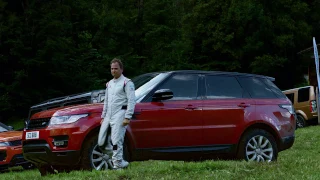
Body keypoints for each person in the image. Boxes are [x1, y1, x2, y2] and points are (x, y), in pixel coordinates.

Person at [98, 58, 136, 170]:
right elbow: (106, 101)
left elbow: (131, 101)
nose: (113, 71)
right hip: (109, 114)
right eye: (112, 69)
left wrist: (127, 117)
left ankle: (117, 164)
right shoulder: (109, 84)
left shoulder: (127, 83)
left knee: (116, 140)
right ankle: (120, 160)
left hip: (120, 113)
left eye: (116, 68)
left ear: (121, 69)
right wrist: (103, 116)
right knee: (101, 142)